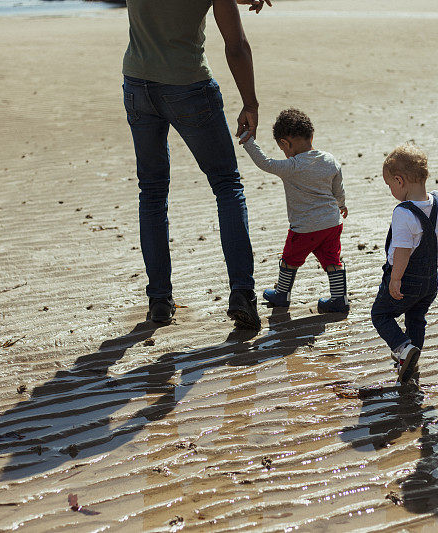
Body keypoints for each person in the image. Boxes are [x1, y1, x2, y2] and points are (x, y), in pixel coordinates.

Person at [122, 0, 270, 330]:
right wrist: (251, 102)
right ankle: (242, 294)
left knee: (152, 192)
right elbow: (237, 45)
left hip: (137, 84)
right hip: (188, 86)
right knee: (227, 186)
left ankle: (159, 300)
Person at [371, 145, 438, 383]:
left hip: (406, 278)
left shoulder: (404, 213)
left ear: (399, 180)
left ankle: (403, 349)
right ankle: (411, 359)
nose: (390, 189)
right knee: (416, 317)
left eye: (389, 185)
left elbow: (402, 250)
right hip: (430, 281)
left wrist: (395, 278)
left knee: (380, 314)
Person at [240, 109, 350, 313]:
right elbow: (338, 189)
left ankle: (282, 295)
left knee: (289, 260)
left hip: (304, 229)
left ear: (285, 143)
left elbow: (265, 163)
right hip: (332, 224)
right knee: (332, 260)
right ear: (311, 135)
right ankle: (339, 299)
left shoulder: (292, 166)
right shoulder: (330, 160)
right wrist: (341, 204)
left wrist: (248, 141)